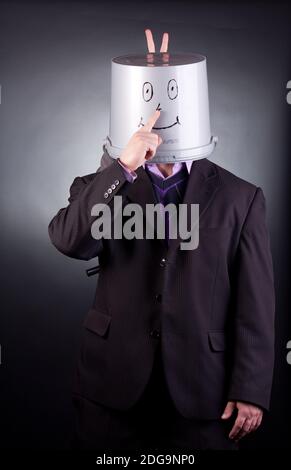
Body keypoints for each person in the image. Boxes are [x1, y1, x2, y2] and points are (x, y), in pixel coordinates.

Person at [48, 29, 275, 450]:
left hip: (203, 394)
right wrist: (121, 167)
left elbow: (255, 303)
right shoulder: (100, 186)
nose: (160, 110)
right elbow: (70, 240)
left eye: (172, 98)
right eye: (148, 101)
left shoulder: (241, 198)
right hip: (111, 392)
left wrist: (252, 387)